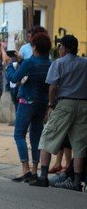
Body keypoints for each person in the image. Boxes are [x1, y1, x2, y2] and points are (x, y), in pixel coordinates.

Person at [30, 35, 87, 190]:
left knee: (47, 137)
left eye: (60, 46)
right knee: (79, 145)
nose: (59, 49)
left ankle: (43, 177)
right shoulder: (85, 62)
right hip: (83, 105)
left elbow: (53, 86)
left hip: (65, 104)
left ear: (65, 48)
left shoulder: (59, 63)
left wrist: (50, 104)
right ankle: (76, 183)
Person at [3, 32, 51, 182]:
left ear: (34, 47)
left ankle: (25, 168)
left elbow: (14, 78)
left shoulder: (30, 62)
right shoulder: (49, 63)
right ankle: (35, 170)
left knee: (19, 134)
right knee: (36, 136)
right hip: (42, 102)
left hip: (27, 101)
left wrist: (9, 65)